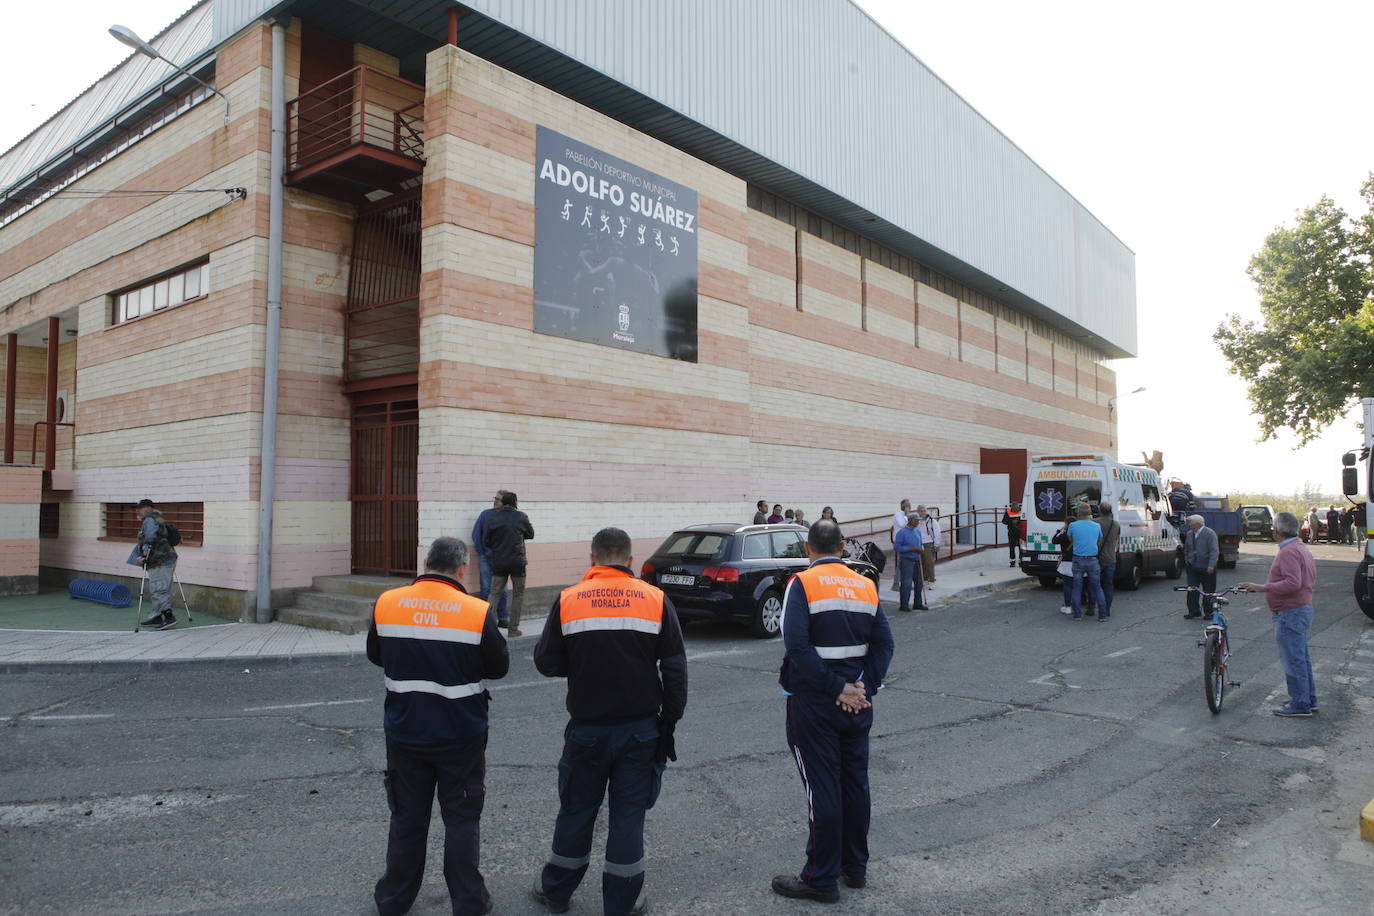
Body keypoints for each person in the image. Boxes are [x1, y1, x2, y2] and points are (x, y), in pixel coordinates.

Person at [532, 527, 687, 916]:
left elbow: (546, 662)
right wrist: (668, 721)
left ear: (592, 558)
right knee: (628, 816)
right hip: (639, 729)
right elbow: (675, 668)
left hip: (586, 728)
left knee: (577, 810)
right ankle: (622, 902)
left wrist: (581, 664)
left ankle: (557, 893)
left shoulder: (569, 599)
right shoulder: (655, 599)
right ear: (631, 561)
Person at [367, 537, 510, 916]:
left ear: (426, 563)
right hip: (460, 734)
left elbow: (375, 655)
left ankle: (393, 900)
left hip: (405, 729)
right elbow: (498, 667)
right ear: (461, 570)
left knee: (407, 818)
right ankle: (468, 903)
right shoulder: (477, 611)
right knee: (462, 819)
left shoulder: (387, 603)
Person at [772, 520, 895, 903]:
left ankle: (820, 877)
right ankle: (854, 868)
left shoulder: (801, 584)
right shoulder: (864, 585)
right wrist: (862, 688)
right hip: (856, 703)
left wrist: (838, 689)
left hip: (815, 702)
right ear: (842, 548)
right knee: (854, 784)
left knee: (822, 787)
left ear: (808, 549)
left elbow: (797, 646)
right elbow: (884, 645)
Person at [1239, 512, 1318, 717]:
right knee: (1300, 658)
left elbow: (1293, 583)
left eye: (1274, 527)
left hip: (1290, 611)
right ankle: (1307, 699)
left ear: (1278, 530)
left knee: (1293, 659)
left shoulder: (1289, 551)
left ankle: (1301, 703)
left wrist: (1261, 587)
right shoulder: (1299, 547)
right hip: (1298, 609)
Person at [484, 491, 534, 637]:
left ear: (504, 502)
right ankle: (513, 629)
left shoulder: (493, 517)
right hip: (518, 562)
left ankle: (489, 630)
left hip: (499, 561)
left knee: (494, 593)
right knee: (518, 595)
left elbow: (487, 541)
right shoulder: (521, 516)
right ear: (515, 503)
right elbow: (530, 534)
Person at [132, 499, 179, 630]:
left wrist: (144, 555)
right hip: (165, 558)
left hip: (160, 560)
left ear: (146, 509)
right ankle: (157, 617)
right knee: (159, 588)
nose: (137, 511)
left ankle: (168, 617)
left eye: (139, 508)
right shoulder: (158, 519)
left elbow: (150, 537)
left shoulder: (149, 520)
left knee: (159, 588)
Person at [471, 491, 510, 627]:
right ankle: (485, 619)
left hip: (502, 560)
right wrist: (482, 552)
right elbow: (476, 534)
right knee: (486, 588)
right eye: (495, 498)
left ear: (506, 502)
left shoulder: (510, 517)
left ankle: (503, 618)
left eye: (498, 499)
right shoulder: (485, 515)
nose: (495, 501)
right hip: (485, 558)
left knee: (503, 590)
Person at [1067, 505, 1106, 621]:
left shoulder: (1073, 525)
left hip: (1078, 559)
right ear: (1089, 513)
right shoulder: (1096, 526)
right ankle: (1102, 615)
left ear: (1078, 513)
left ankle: (1077, 614)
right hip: (1093, 560)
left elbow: (1070, 539)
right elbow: (1099, 540)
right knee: (1097, 587)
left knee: (1077, 588)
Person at [1182, 514, 1218, 619]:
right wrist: (1187, 561)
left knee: (1208, 591)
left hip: (1207, 567)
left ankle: (1209, 612)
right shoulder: (1189, 534)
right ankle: (1194, 611)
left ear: (1197, 524)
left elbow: (1214, 551)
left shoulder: (1210, 534)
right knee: (1192, 589)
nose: (1189, 525)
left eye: (1190, 523)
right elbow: (1187, 549)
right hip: (1192, 566)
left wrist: (1211, 565)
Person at [893, 513, 927, 612]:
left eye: (919, 520)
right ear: (911, 520)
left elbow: (921, 544)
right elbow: (897, 547)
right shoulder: (902, 532)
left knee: (919, 583)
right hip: (906, 560)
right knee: (906, 583)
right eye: (916, 520)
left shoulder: (918, 532)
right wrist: (911, 548)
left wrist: (921, 549)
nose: (918, 522)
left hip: (917, 559)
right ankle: (904, 605)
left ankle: (918, 603)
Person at [1095, 503, 1121, 618]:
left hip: (1097, 557)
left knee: (1096, 584)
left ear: (1100, 510)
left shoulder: (1095, 522)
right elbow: (1117, 539)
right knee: (1108, 585)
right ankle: (1107, 609)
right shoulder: (1116, 524)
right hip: (1111, 558)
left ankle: (1095, 607)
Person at [889, 498, 911, 590]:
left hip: (906, 540)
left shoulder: (906, 515)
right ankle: (896, 583)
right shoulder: (898, 514)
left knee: (907, 562)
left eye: (909, 505)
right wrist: (906, 516)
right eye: (907, 505)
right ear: (902, 506)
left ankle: (905, 583)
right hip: (900, 541)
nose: (909, 507)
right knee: (901, 562)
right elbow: (902, 524)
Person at [916, 505, 938, 585]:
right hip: (919, 544)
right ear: (918, 512)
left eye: (924, 510)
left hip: (929, 544)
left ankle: (932, 581)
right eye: (921, 511)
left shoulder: (932, 521)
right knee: (922, 563)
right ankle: (925, 580)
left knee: (929, 563)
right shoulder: (917, 521)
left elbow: (937, 533)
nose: (923, 512)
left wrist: (936, 544)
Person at [1001, 503, 1022, 568]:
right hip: (1011, 532)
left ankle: (1021, 561)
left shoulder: (1023, 511)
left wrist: (1018, 522)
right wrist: (1011, 522)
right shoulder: (1008, 512)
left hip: (1020, 532)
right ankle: (1012, 562)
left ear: (1018, 507)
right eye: (1014, 508)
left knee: (1021, 547)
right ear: (1012, 508)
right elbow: (1004, 521)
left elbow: (1025, 519)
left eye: (1017, 508)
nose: (1016, 509)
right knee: (1011, 547)